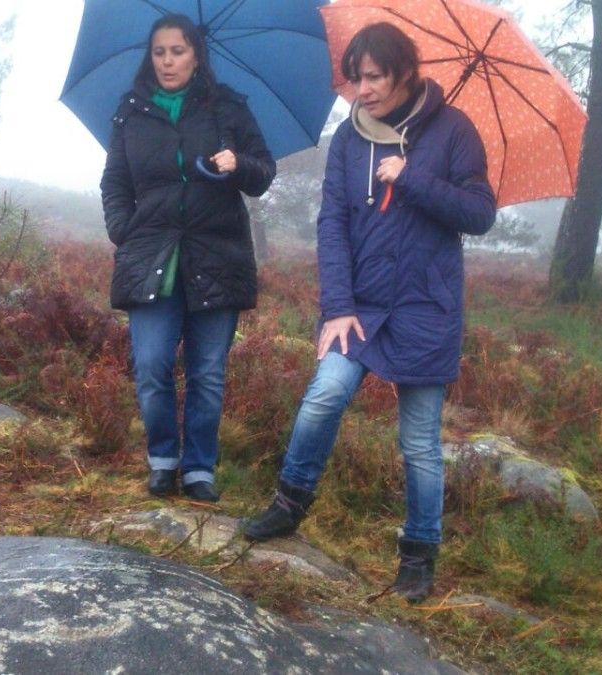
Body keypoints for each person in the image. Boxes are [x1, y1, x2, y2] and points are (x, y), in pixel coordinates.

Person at [241, 22, 496, 602]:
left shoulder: (455, 131)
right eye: (355, 77)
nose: (362, 89)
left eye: (374, 76)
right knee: (324, 395)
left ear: (405, 72)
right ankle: (288, 504)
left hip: (426, 309)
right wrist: (336, 306)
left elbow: (479, 214)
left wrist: (414, 179)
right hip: (358, 308)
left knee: (421, 442)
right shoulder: (349, 139)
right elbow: (332, 224)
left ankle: (418, 555)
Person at [100, 14, 276, 502]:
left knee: (207, 373)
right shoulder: (131, 111)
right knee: (152, 365)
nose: (168, 61)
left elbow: (264, 172)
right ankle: (162, 459)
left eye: (178, 51)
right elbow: (115, 181)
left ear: (197, 54)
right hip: (151, 253)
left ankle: (199, 468)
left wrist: (238, 165)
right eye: (159, 52)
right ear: (149, 56)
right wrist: (123, 231)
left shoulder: (228, 108)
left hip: (216, 252)